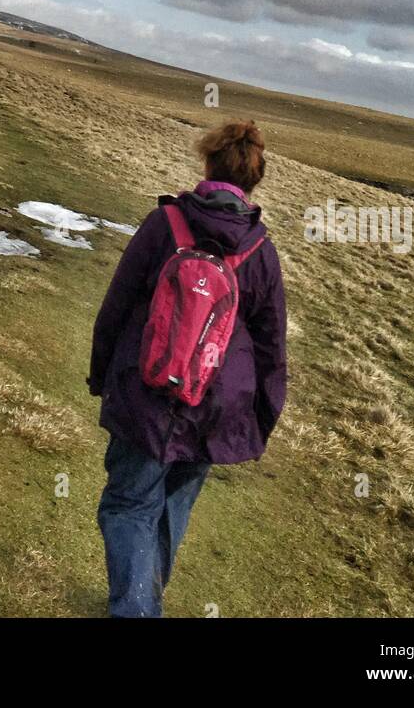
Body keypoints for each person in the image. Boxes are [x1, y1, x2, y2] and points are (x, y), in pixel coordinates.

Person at [87, 119, 287, 618]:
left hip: (146, 392)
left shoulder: (165, 225)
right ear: (254, 181)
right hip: (216, 406)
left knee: (130, 503)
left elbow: (118, 304)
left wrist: (102, 374)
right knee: (172, 506)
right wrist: (260, 415)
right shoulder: (261, 252)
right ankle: (141, 603)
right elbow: (271, 345)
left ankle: (135, 610)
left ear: (207, 165)